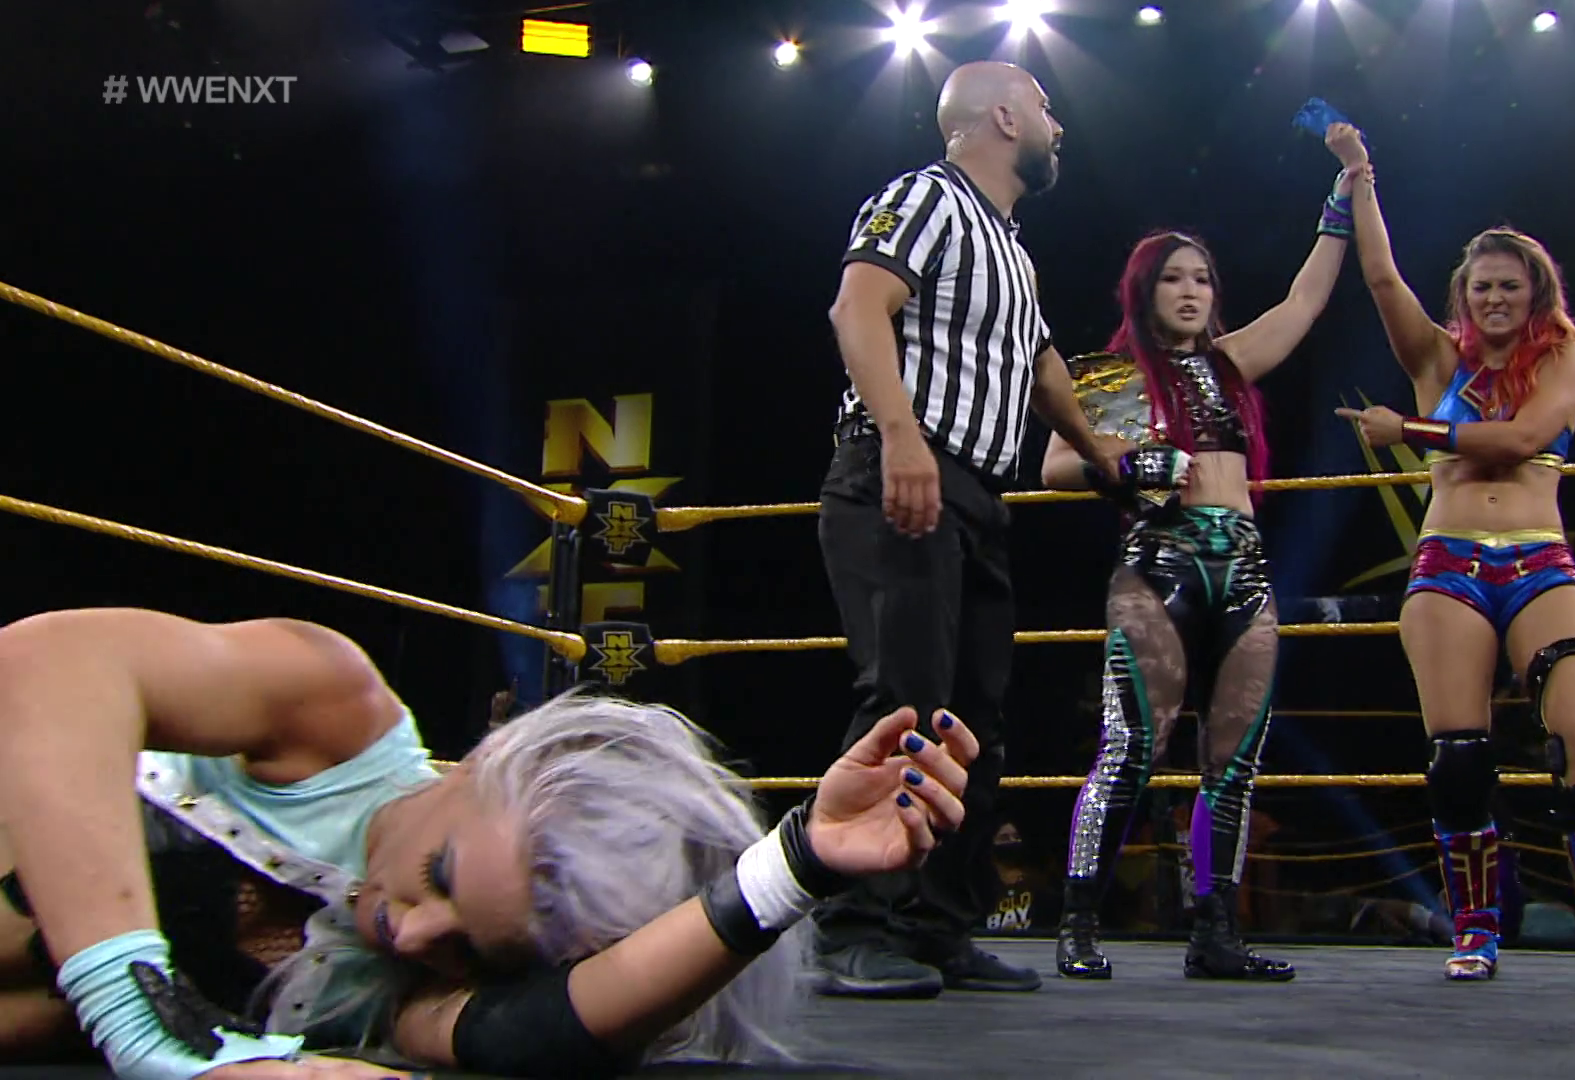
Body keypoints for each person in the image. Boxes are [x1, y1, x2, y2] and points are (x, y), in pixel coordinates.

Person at [0, 606, 979, 1078]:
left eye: (471, 948)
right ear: (474, 764)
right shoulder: (334, 711)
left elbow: (559, 1026)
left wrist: (797, 865)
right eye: (441, 875)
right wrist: (143, 1021)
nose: (416, 932)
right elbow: (48, 659)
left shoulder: (414, 993)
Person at [813, 59, 1126, 998]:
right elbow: (857, 305)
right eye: (1045, 108)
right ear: (1003, 117)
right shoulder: (926, 199)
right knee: (904, 699)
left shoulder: (1013, 253)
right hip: (902, 472)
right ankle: (852, 925)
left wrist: (1101, 454)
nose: (1059, 128)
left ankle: (936, 923)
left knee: (975, 718)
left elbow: (1041, 366)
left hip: (980, 497)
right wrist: (901, 436)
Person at [1327, 119, 1575, 986]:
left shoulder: (1566, 360)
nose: (1494, 299)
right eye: (1481, 286)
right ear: (1464, 294)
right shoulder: (1438, 361)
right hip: (1449, 564)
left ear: (1536, 291)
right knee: (1460, 758)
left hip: (1539, 560)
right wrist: (1360, 179)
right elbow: (1380, 278)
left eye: (1509, 286)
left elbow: (1518, 441)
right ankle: (1475, 928)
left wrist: (1406, 430)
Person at [1040, 126, 1359, 980]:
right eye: (1174, 277)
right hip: (1160, 563)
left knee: (1234, 759)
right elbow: (1055, 466)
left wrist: (1345, 198)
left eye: (1203, 278)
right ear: (1144, 289)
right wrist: (1131, 464)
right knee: (1132, 747)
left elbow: (1304, 303)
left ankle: (1214, 930)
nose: (1190, 290)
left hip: (1244, 563)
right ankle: (1077, 925)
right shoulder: (1115, 375)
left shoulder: (1229, 364)